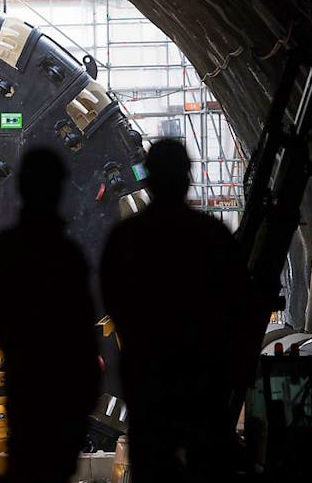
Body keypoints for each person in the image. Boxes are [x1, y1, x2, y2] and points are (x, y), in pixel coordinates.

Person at [100, 138, 246, 483]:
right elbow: (235, 306)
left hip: (148, 382)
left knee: (153, 467)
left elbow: (113, 301)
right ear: (187, 178)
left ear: (148, 179)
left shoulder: (126, 238)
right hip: (203, 383)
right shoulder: (213, 236)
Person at [0, 147, 100, 483]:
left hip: (26, 379)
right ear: (59, 189)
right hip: (64, 382)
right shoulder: (68, 254)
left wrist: (19, 345)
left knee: (26, 459)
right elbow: (83, 324)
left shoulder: (4, 248)